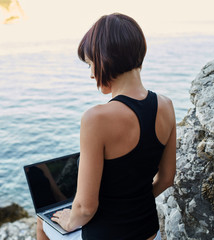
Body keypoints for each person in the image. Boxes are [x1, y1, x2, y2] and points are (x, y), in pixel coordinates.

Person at [37, 12, 176, 240]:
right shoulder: (166, 105)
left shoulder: (96, 118)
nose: (92, 74)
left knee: (42, 224)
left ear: (106, 58)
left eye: (91, 63)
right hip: (150, 232)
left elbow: (85, 207)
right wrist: (132, 208)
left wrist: (70, 219)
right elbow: (167, 177)